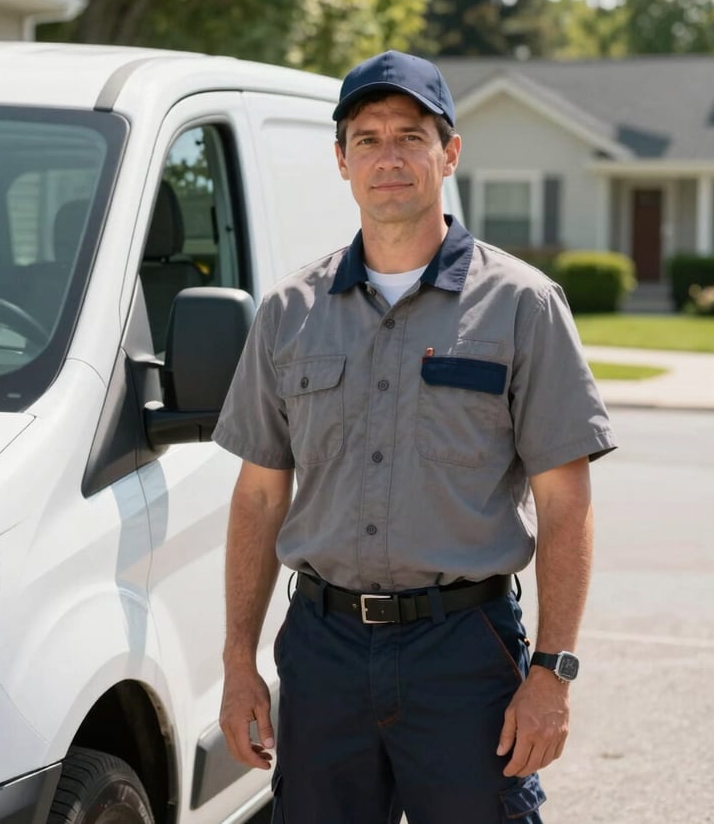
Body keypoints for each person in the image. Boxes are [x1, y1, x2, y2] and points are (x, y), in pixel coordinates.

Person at [213, 49, 617, 823]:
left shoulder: (523, 306)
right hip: (322, 652)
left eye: (410, 135)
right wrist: (238, 660)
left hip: (464, 654)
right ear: (341, 160)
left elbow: (566, 502)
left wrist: (553, 674)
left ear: (449, 153)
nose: (388, 156)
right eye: (366, 138)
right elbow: (260, 497)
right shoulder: (289, 313)